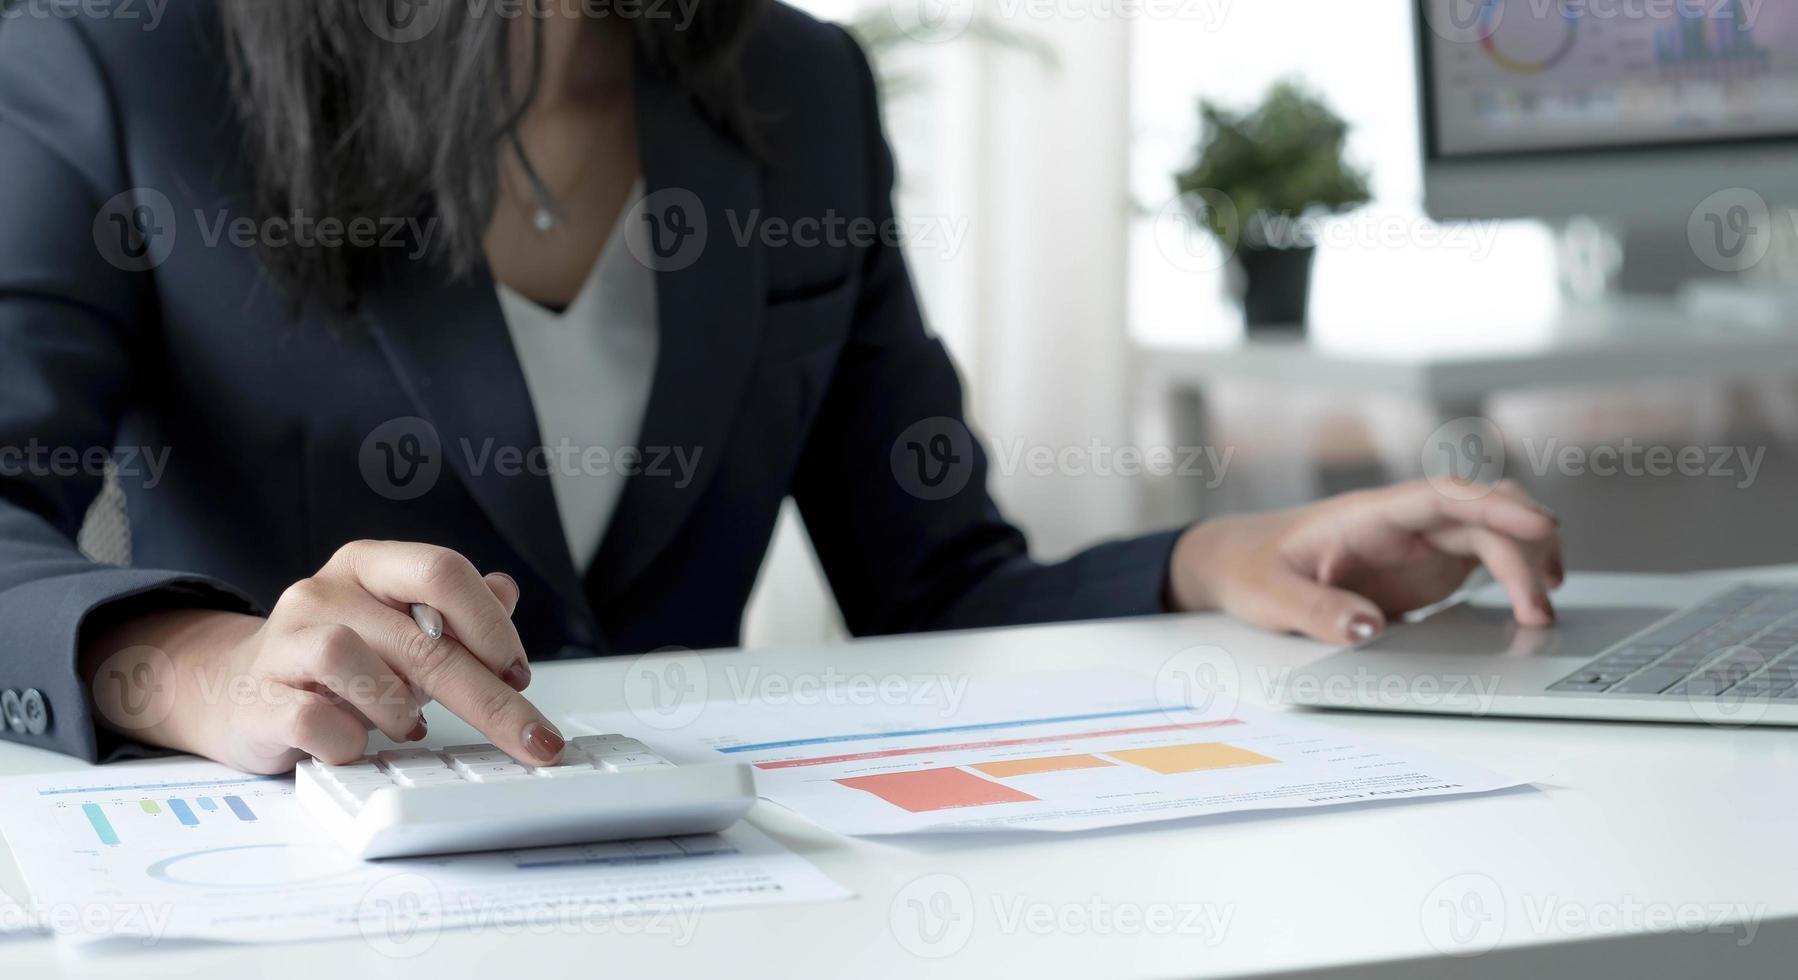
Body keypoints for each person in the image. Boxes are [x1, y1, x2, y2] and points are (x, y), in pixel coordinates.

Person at [0, 0, 1562, 775]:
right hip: (308, 901)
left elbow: (938, 586)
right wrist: (191, 668)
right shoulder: (114, 59)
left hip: (722, 896)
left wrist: (1198, 562)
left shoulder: (799, 86)